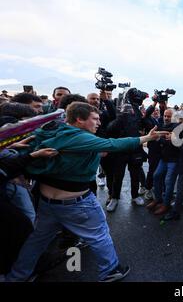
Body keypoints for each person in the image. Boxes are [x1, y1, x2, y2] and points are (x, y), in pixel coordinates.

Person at [5, 102, 168, 282]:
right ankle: (111, 270)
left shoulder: (49, 131)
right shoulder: (77, 137)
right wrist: (146, 138)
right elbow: (112, 144)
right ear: (80, 119)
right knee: (99, 236)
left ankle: (17, 277)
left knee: (36, 241)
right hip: (76, 203)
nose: (98, 123)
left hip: (47, 203)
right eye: (95, 119)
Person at [105, 104, 148, 211]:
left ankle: (135, 196)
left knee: (135, 176)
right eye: (125, 110)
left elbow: (146, 124)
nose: (128, 112)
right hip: (120, 153)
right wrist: (120, 117)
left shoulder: (137, 121)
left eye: (130, 110)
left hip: (135, 153)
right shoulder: (117, 120)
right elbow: (110, 130)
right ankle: (114, 198)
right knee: (117, 177)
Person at [146, 108, 180, 216]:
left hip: (174, 160)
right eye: (165, 115)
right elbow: (158, 136)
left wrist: (159, 139)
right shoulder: (162, 125)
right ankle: (158, 199)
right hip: (163, 158)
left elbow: (174, 143)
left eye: (169, 116)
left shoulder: (177, 128)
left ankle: (166, 204)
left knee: (168, 182)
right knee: (156, 176)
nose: (166, 118)